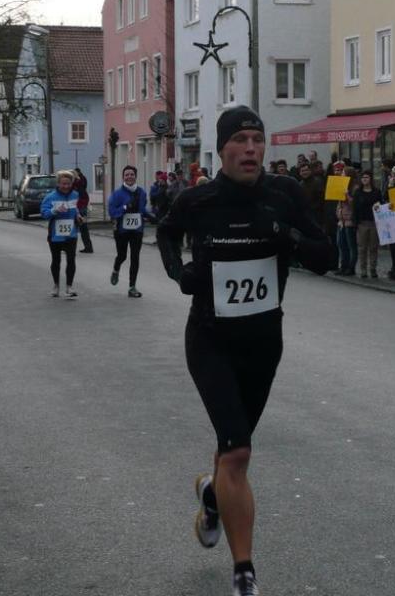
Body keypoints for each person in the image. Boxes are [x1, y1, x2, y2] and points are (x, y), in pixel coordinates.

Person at [156, 106, 332, 596]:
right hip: (210, 339)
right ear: (222, 149)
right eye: (241, 140)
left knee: (232, 454)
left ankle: (213, 496)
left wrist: (285, 235)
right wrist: (180, 273)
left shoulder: (285, 195)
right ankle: (244, 574)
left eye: (258, 139)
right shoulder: (198, 199)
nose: (251, 148)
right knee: (237, 450)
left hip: (263, 343)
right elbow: (166, 233)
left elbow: (326, 258)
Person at [41, 170, 83, 298]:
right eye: (63, 184)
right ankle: (56, 286)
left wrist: (79, 216)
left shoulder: (75, 195)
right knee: (56, 260)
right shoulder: (50, 197)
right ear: (58, 183)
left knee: (71, 260)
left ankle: (69, 287)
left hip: (71, 233)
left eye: (68, 184)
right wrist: (55, 210)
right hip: (55, 235)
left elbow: (78, 209)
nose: (66, 186)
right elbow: (44, 213)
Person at [108, 165, 149, 298]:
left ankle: (132, 287)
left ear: (135, 176)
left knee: (135, 257)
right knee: (122, 256)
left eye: (132, 174)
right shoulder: (117, 194)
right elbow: (112, 212)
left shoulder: (142, 193)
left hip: (137, 230)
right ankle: (116, 269)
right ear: (123, 177)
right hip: (121, 230)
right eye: (127, 175)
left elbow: (142, 209)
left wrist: (152, 216)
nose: (129, 177)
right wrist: (125, 208)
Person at [352, 169, 383, 278]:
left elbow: (381, 204)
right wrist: (355, 222)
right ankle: (363, 269)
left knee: (373, 247)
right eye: (363, 177)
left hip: (374, 222)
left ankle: (373, 268)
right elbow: (355, 208)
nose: (364, 179)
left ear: (371, 179)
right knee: (362, 248)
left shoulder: (376, 192)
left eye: (367, 177)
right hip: (362, 222)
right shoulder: (358, 192)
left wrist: (378, 206)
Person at [335, 167, 358, 276]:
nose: (342, 175)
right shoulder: (342, 185)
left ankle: (351, 267)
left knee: (351, 245)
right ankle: (343, 266)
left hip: (350, 220)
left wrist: (347, 195)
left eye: (343, 173)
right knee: (341, 244)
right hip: (342, 220)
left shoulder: (355, 188)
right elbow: (339, 203)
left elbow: (354, 204)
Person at [72, 168, 94, 253]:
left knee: (80, 228)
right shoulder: (79, 180)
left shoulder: (79, 181)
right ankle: (88, 247)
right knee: (83, 228)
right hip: (80, 205)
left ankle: (72, 247)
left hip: (80, 206)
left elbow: (81, 191)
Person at [298, 162, 324, 228]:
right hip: (305, 216)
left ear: (310, 171)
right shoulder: (300, 184)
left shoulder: (318, 182)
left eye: (306, 170)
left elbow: (321, 199)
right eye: (302, 171)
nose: (304, 172)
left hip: (317, 215)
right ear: (300, 173)